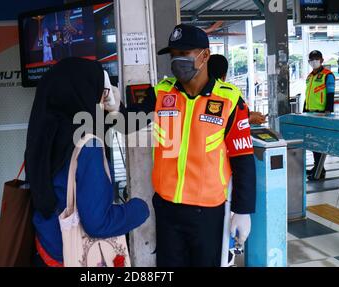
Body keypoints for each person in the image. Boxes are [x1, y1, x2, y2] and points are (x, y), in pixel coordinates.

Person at [109, 24, 256, 267]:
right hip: (168, 208)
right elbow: (127, 123)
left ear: (204, 55)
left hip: (207, 212)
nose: (177, 60)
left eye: (184, 54)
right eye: (173, 54)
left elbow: (243, 157)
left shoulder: (229, 99)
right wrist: (115, 107)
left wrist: (243, 209)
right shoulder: (161, 93)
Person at [25, 57, 149, 267]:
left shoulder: (42, 134)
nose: (102, 97)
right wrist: (139, 208)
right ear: (83, 93)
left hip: (46, 246)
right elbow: (97, 223)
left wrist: (116, 111)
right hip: (72, 254)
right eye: (100, 91)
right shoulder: (87, 145)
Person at [208, 54, 267, 125]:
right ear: (224, 75)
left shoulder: (197, 91)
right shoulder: (229, 92)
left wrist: (249, 114)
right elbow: (222, 122)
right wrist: (250, 118)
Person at [304, 50, 335, 180]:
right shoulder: (310, 76)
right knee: (312, 143)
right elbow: (308, 95)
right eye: (312, 59)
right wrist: (304, 109)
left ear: (321, 60)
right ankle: (318, 167)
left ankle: (319, 170)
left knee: (319, 143)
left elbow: (330, 94)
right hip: (310, 113)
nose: (314, 61)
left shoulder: (328, 75)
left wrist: (328, 111)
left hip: (321, 114)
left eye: (316, 59)